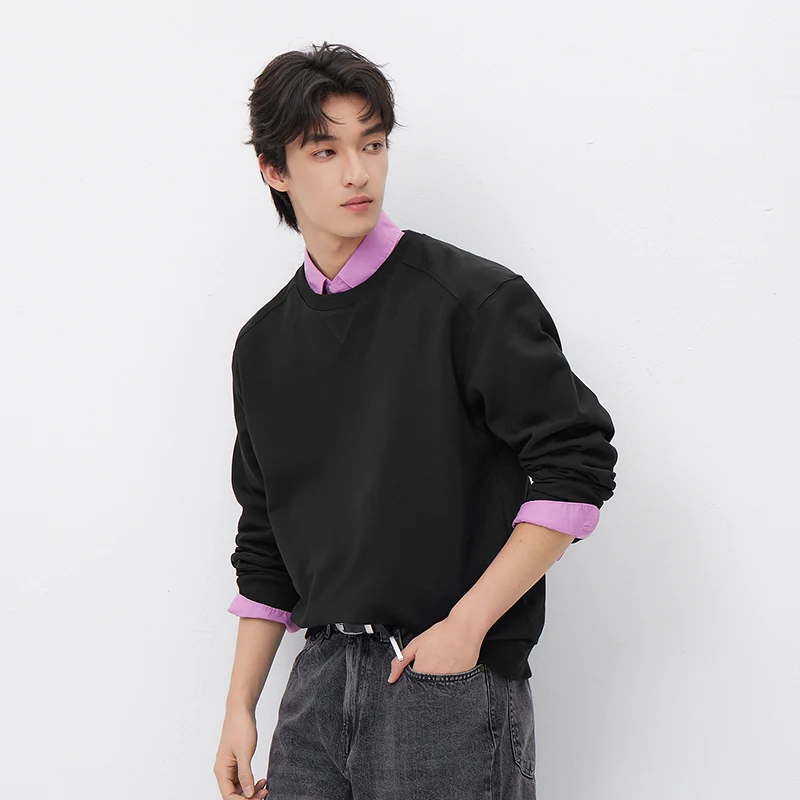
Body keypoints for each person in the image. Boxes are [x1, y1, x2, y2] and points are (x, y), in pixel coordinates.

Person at [214, 41, 618, 800]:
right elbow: (264, 536)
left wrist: (467, 627)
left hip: (443, 682)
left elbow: (576, 466)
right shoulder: (262, 346)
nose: (357, 172)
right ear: (274, 170)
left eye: (372, 144)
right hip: (316, 687)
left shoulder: (471, 301)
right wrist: (240, 707)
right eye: (325, 150)